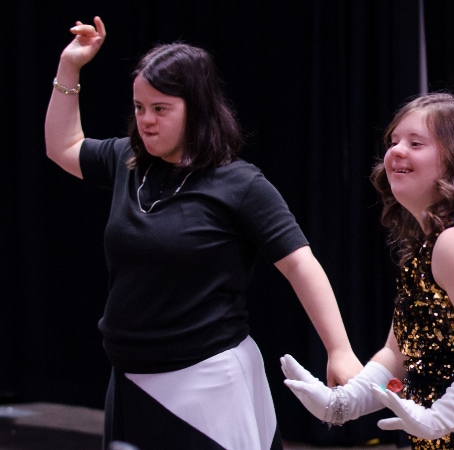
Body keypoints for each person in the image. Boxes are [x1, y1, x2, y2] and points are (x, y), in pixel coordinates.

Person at [44, 17, 363, 449]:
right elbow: (62, 147)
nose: (146, 122)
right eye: (139, 108)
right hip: (131, 377)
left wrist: (339, 350)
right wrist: (70, 67)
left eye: (161, 109)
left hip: (207, 383)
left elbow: (301, 265)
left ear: (196, 109)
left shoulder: (240, 184)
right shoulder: (128, 162)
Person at [281, 92, 454, 449]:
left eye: (416, 143)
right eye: (394, 141)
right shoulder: (429, 247)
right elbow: (398, 352)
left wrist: (442, 417)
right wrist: (347, 402)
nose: (396, 151)